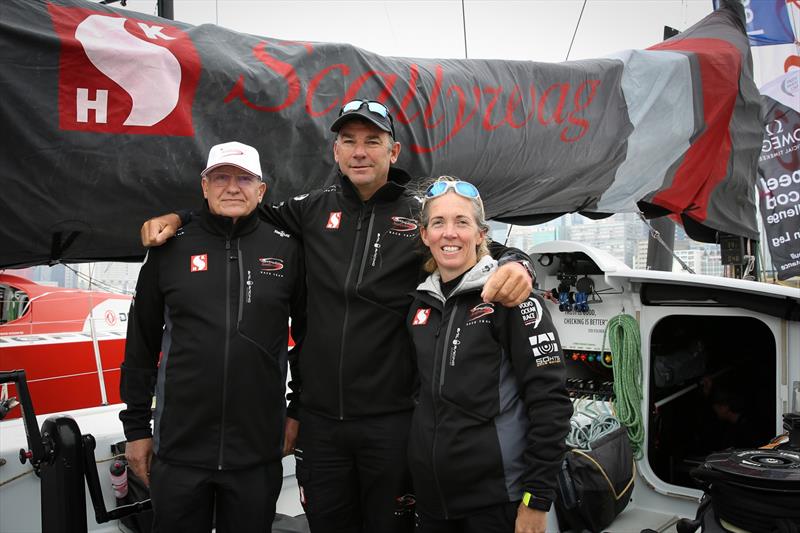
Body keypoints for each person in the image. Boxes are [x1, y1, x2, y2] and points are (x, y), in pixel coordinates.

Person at [140, 100, 533, 533]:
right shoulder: (311, 208)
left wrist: (519, 264)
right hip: (321, 422)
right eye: (349, 141)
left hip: (393, 419)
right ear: (336, 152)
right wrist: (179, 218)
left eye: (372, 141)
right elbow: (236, 210)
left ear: (393, 152)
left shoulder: (419, 214)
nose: (359, 151)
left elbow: (469, 240)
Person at [120, 141, 305, 533]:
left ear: (261, 190)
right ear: (204, 186)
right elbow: (141, 342)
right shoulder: (169, 248)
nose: (232, 187)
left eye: (244, 179)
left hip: (256, 454)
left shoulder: (288, 250)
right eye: (220, 177)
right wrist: (136, 429)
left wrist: (297, 409)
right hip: (180, 450)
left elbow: (308, 338)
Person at [407, 177, 572, 533]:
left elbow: (550, 402)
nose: (449, 233)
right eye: (438, 223)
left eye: (461, 222)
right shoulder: (420, 304)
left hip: (497, 502)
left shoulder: (510, 299)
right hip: (434, 501)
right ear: (424, 235)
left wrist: (536, 500)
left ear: (482, 235)